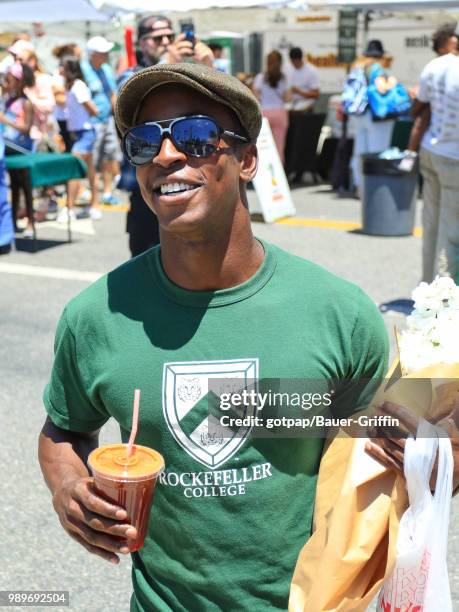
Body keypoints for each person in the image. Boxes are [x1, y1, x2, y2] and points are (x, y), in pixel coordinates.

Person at [39, 63, 394, 610]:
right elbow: (63, 429)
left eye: (195, 135)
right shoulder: (97, 315)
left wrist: (441, 450)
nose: (166, 155)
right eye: (142, 142)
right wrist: (67, 487)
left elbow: (388, 464)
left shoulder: (339, 313)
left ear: (248, 159)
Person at [117, 14, 214, 257]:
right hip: (150, 186)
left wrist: (209, 69)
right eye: (157, 37)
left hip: (195, 180)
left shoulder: (193, 72)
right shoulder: (131, 75)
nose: (166, 41)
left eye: (170, 36)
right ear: (141, 43)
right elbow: (119, 103)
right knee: (145, 263)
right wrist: (165, 63)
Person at [413, 35, 459, 282]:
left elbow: (421, 104)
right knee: (451, 234)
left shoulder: (435, 65)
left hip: (431, 149)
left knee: (431, 227)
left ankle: (427, 291)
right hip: (454, 157)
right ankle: (445, 301)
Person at [347, 40, 397, 193]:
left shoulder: (357, 68)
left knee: (360, 151)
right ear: (380, 55)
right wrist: (392, 83)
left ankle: (359, 186)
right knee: (378, 151)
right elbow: (382, 88)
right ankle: (375, 188)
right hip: (376, 116)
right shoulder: (377, 69)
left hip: (359, 115)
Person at [58, 55, 99, 223]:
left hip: (86, 133)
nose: (59, 69)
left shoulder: (78, 86)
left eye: (62, 66)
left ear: (69, 69)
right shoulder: (70, 86)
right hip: (79, 133)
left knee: (74, 169)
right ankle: (94, 206)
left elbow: (93, 109)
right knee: (90, 172)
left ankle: (69, 208)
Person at [81, 36, 121, 206]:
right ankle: (91, 195)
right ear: (93, 54)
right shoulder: (82, 70)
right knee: (92, 160)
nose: (106, 55)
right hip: (91, 123)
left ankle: (106, 193)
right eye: (103, 52)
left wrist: (119, 115)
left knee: (109, 157)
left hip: (108, 121)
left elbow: (113, 94)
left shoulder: (106, 69)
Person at [408, 22, 459, 152]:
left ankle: (409, 157)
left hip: (432, 148)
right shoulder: (441, 66)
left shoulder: (434, 66)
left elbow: (416, 114)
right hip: (449, 152)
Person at [0, 62, 35, 237]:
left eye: (10, 79)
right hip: (10, 149)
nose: (7, 82)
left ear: (19, 81)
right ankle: (12, 221)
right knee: (13, 186)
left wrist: (5, 120)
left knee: (26, 187)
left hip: (23, 150)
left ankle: (30, 222)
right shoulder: (9, 99)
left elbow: (26, 129)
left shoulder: (26, 103)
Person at [253, 50, 291, 164]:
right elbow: (288, 99)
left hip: (264, 114)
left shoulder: (260, 77)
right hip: (280, 113)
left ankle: (263, 175)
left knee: (262, 147)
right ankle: (279, 176)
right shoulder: (285, 78)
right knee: (279, 148)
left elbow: (255, 96)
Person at [286, 46, 320, 112]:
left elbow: (316, 95)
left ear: (300, 59)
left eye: (296, 62)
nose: (294, 64)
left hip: (306, 104)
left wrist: (299, 92)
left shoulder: (311, 71)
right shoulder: (287, 68)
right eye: (292, 62)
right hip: (290, 103)